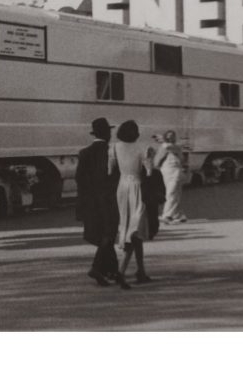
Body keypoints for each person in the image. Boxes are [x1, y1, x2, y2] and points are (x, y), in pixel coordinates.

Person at [109, 120, 153, 289]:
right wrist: (150, 158)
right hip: (136, 187)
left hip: (122, 188)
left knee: (130, 227)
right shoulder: (141, 147)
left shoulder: (114, 147)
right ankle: (121, 271)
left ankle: (140, 271)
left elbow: (109, 170)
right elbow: (149, 172)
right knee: (134, 231)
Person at [75, 117, 119, 287]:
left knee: (102, 234)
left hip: (90, 201)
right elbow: (115, 176)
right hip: (108, 199)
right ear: (107, 133)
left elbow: (79, 178)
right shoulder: (110, 152)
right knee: (109, 233)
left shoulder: (84, 153)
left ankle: (112, 270)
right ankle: (97, 267)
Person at [154, 130, 188, 224]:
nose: (170, 137)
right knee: (174, 193)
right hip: (166, 171)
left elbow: (170, 148)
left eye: (172, 136)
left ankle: (167, 215)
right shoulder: (167, 147)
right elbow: (158, 159)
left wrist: (162, 141)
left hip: (175, 171)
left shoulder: (173, 147)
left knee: (172, 192)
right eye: (168, 136)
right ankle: (178, 215)